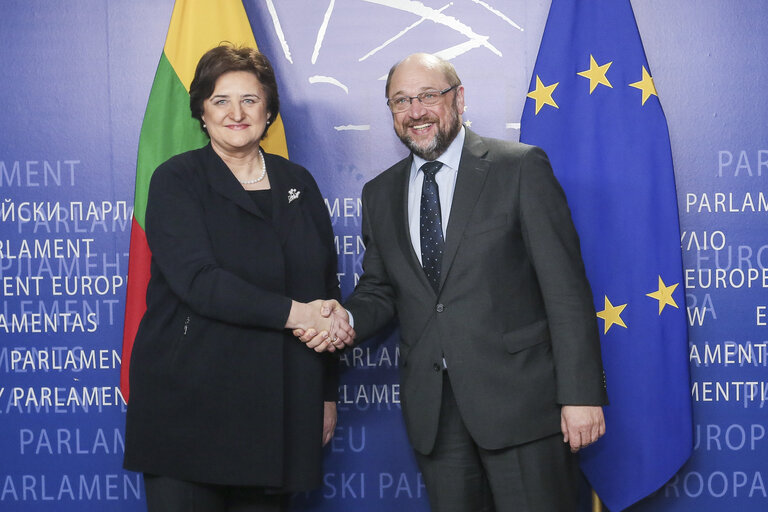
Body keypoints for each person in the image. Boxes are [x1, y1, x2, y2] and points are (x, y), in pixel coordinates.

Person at [298, 53, 608, 511]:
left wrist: (581, 396)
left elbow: (565, 290)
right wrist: (343, 318)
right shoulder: (379, 193)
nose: (415, 110)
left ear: (458, 99)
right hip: (436, 419)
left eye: (428, 95)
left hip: (523, 408)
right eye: (401, 100)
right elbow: (382, 290)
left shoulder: (519, 168)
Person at [123, 45, 353, 512]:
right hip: (189, 406)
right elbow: (201, 283)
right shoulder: (177, 180)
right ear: (201, 112)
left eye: (249, 99)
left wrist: (325, 394)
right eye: (220, 100)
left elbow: (324, 290)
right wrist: (298, 315)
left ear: (268, 110)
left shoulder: (299, 183)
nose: (236, 112)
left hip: (278, 409)